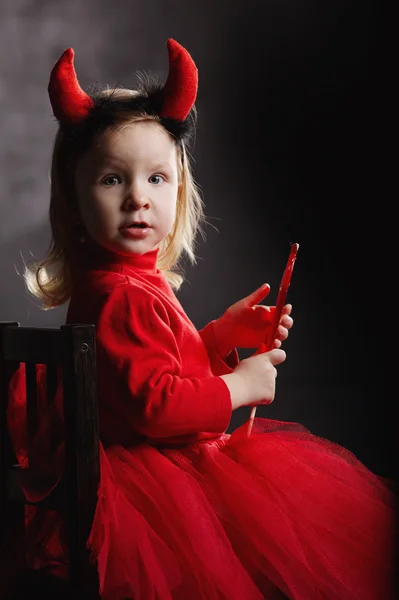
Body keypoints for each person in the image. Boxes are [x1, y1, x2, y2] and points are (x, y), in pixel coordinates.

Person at [4, 39, 397, 600]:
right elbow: (156, 406)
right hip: (150, 478)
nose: (138, 198)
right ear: (72, 199)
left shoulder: (127, 283)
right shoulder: (121, 295)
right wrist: (238, 385)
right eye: (112, 179)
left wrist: (218, 337)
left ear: (179, 190)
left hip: (147, 461)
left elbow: (152, 371)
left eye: (156, 179)